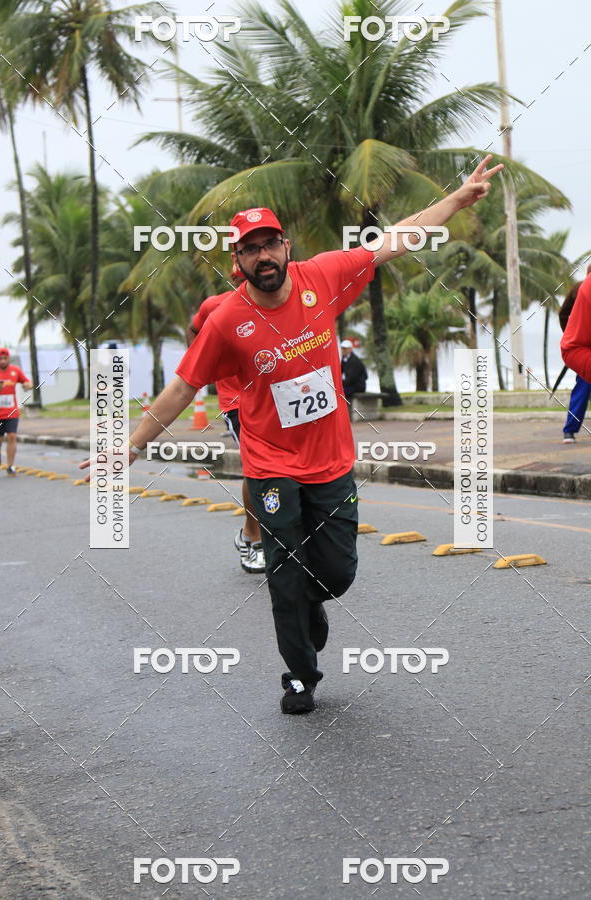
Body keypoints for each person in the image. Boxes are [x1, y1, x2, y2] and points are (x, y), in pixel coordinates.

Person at [82, 154, 502, 714]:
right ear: (238, 260)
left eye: (270, 243)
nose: (264, 255)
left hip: (331, 462)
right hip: (271, 464)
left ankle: (313, 605)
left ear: (286, 248)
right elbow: (183, 388)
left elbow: (397, 239)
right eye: (251, 248)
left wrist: (456, 199)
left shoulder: (323, 277)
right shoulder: (228, 319)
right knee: (282, 575)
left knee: (337, 572)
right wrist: (131, 448)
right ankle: (300, 676)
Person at [189, 284, 266, 574]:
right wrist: (206, 366)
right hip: (237, 402)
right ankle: (254, 538)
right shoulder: (216, 305)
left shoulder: (284, 297)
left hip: (273, 399)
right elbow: (194, 330)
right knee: (256, 467)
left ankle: (269, 534)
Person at [558, 268, 591, 442]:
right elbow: (563, 313)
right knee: (582, 388)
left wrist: (570, 334)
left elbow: (563, 313)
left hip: (580, 345)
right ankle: (569, 430)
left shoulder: (578, 286)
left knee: (582, 389)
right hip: (583, 347)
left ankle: (569, 431)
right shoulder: (580, 287)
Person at [0, 347, 33, 476]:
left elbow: (29, 382)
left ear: (9, 358)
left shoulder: (15, 371)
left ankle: (10, 466)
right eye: (0, 358)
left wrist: (27, 385)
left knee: (12, 436)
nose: (3, 361)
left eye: (5, 358)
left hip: (11, 411)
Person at [340, 339, 367, 419]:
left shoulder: (355, 361)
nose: (343, 350)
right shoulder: (345, 359)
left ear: (350, 349)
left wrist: (339, 384)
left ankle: (343, 416)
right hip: (350, 385)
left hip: (357, 386)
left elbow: (351, 379)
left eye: (345, 348)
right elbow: (340, 373)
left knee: (340, 392)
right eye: (342, 348)